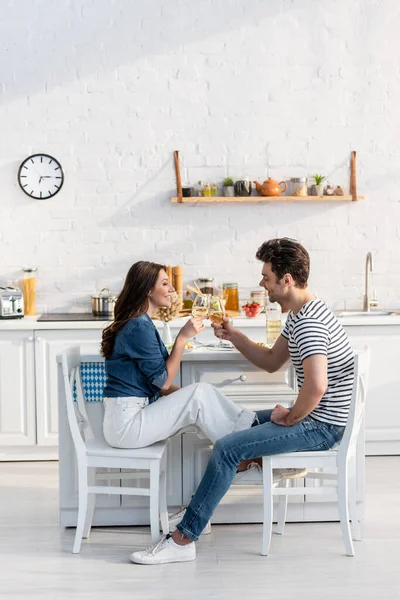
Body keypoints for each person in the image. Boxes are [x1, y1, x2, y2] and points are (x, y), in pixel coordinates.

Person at [130, 238, 355, 565]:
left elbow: (317, 386)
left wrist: (290, 418)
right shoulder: (301, 313)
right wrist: (234, 335)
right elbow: (270, 361)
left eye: (266, 277)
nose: (261, 283)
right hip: (317, 420)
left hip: (321, 427)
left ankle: (182, 540)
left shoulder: (309, 322)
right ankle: (203, 510)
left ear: (286, 280)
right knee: (245, 424)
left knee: (227, 447)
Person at [101, 260, 256, 454]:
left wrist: (194, 398)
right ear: (148, 289)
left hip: (127, 417)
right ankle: (244, 448)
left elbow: (159, 385)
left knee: (201, 392)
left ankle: (246, 438)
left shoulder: (141, 322)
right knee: (199, 393)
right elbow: (164, 383)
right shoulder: (138, 326)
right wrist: (182, 338)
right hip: (126, 425)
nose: (172, 288)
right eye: (165, 283)